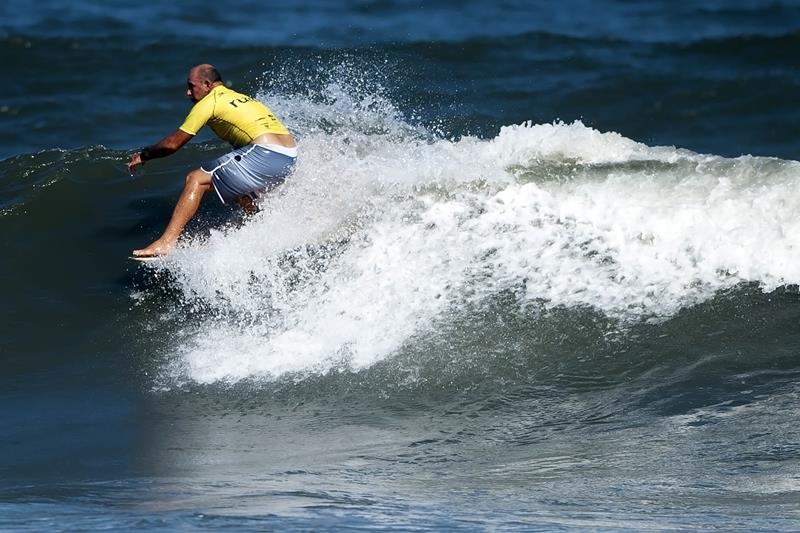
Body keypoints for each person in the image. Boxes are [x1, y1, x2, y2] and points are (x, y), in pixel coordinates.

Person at [127, 63, 297, 257]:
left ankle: (166, 243)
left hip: (265, 152)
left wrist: (144, 155)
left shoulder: (210, 102)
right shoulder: (243, 98)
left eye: (192, 86)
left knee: (197, 179)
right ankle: (264, 229)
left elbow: (173, 144)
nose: (188, 92)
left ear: (207, 84)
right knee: (233, 185)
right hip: (288, 156)